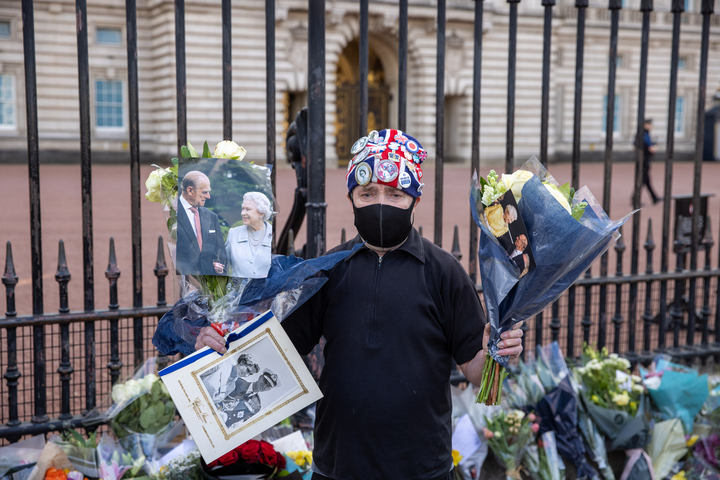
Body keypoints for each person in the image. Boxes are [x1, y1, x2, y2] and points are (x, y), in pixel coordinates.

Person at [194, 129, 523, 480]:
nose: (380, 203)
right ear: (351, 197)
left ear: (415, 201)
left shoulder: (445, 273)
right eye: (368, 193)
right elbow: (275, 353)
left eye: (395, 194)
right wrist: (219, 341)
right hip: (337, 464)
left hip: (423, 466)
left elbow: (475, 371)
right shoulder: (326, 269)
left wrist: (498, 352)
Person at [176, 170, 227, 275]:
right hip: (183, 282)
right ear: (190, 190)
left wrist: (219, 268)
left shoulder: (212, 216)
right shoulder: (173, 213)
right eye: (205, 192)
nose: (208, 196)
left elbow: (221, 253)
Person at [225, 192, 273, 278]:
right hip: (239, 290)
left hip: (269, 290)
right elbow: (223, 263)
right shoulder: (234, 233)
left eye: (248, 209)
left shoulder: (274, 235)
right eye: (242, 209)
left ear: (261, 213)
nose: (243, 213)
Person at [637, 118, 661, 205]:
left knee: (646, 181)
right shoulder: (645, 135)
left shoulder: (639, 134)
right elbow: (651, 149)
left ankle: (654, 198)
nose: (651, 126)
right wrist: (656, 147)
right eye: (650, 124)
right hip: (645, 161)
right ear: (645, 125)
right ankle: (635, 199)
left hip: (640, 160)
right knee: (643, 180)